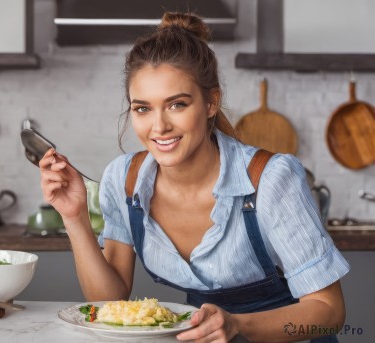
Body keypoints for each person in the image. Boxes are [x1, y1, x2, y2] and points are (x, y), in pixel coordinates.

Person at [38, 12, 349, 343]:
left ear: (211, 103)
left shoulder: (270, 180)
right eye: (142, 109)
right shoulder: (124, 181)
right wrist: (74, 218)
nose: (159, 127)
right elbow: (109, 301)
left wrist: (240, 325)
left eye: (177, 105)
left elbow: (328, 313)